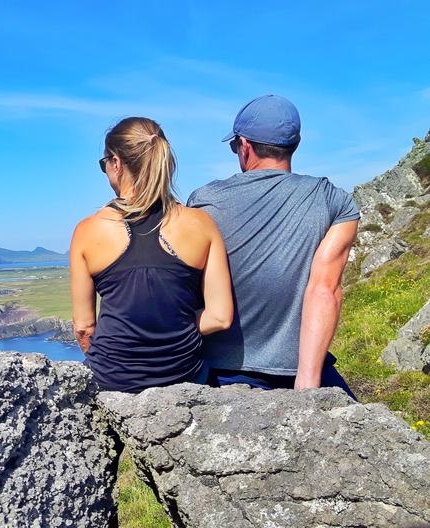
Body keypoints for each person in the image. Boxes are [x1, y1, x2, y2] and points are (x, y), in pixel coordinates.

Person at [187, 95, 359, 397]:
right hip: (303, 371)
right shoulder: (334, 201)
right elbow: (324, 289)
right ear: (295, 144)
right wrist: (307, 387)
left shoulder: (204, 201)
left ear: (245, 146)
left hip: (220, 372)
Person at [70, 117, 234, 394]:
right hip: (183, 378)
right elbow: (220, 317)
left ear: (116, 164)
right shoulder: (201, 224)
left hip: (112, 381)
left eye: (104, 164)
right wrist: (175, 326)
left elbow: (85, 328)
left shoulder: (88, 231)